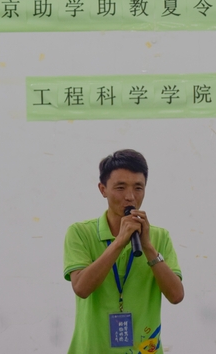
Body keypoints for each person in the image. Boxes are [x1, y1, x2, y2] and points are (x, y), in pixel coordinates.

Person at [63, 149, 184, 353]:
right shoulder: (80, 233)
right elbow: (81, 288)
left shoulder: (159, 237)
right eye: (120, 187)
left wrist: (148, 247)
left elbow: (176, 295)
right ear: (103, 189)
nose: (130, 197)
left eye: (138, 188)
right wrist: (119, 241)